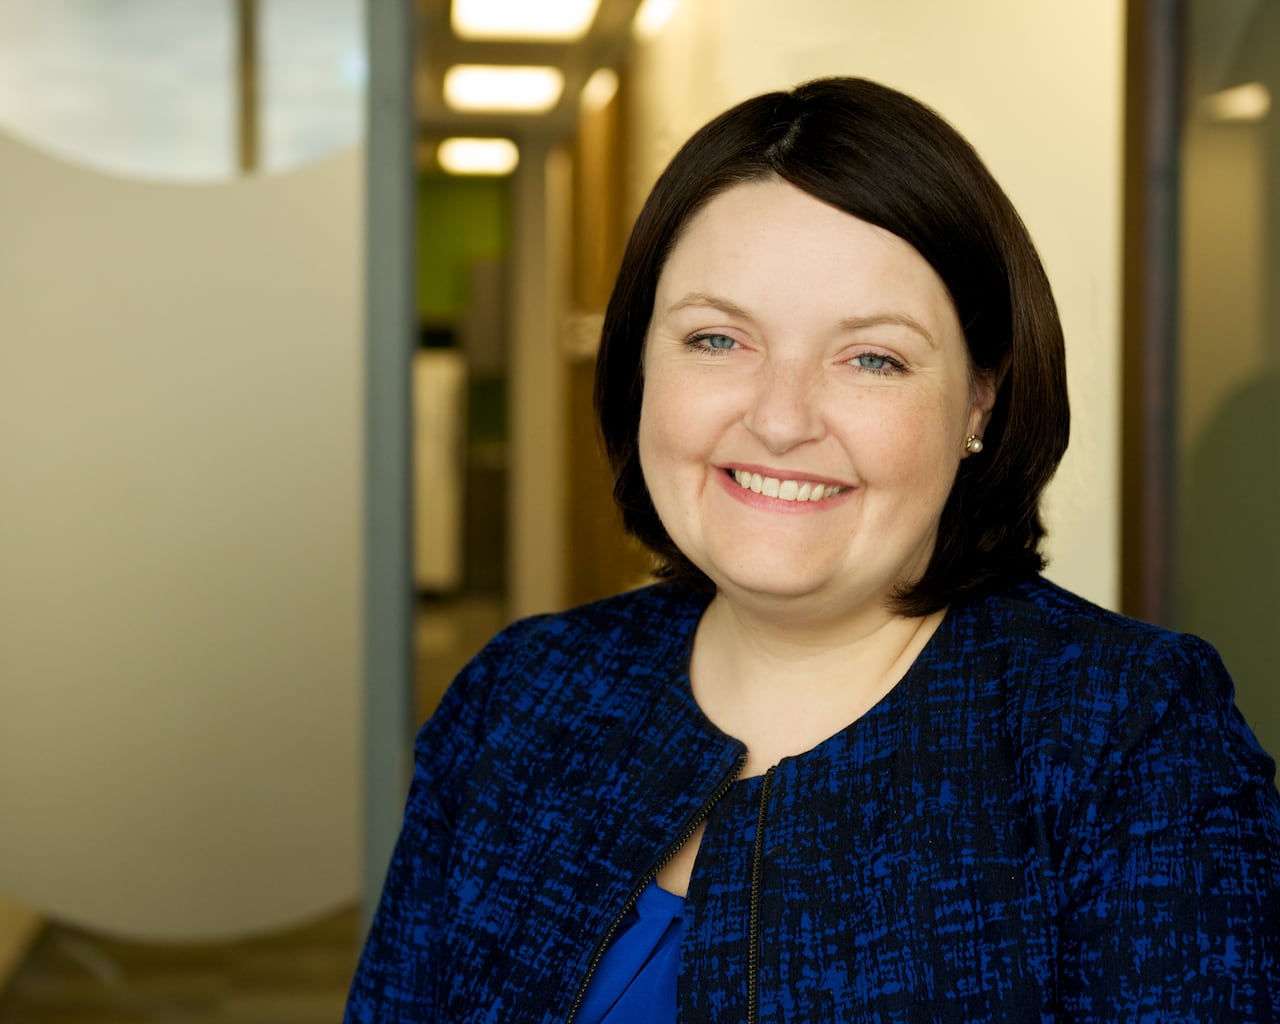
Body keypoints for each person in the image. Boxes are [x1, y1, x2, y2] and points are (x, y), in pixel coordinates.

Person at [344, 78, 1280, 1023]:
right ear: (639, 369)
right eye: (717, 339)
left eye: (872, 357)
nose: (780, 419)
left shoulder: (1128, 735)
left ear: (979, 402)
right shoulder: (521, 697)